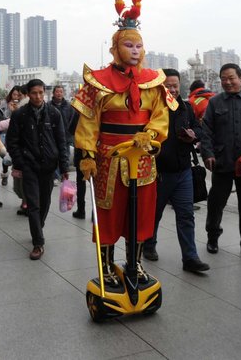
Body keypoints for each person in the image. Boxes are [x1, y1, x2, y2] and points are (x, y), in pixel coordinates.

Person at [73, 23, 174, 286]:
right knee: (107, 214)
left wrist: (150, 136)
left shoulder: (153, 82)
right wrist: (87, 154)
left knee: (140, 213)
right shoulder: (97, 82)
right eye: (129, 45)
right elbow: (89, 122)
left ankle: (135, 263)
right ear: (115, 49)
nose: (135, 51)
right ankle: (105, 266)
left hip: (141, 156)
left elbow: (160, 117)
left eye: (139, 46)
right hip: (109, 158)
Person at [143, 68, 209, 273]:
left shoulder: (186, 107)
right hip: (160, 172)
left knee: (186, 215)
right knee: (155, 214)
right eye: (168, 85)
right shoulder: (153, 108)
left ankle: (190, 258)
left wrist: (193, 135)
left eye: (175, 85)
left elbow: (199, 129)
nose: (172, 89)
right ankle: (149, 245)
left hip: (183, 171)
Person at [200, 63, 241, 260]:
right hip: (222, 161)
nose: (227, 82)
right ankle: (213, 237)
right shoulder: (215, 103)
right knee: (216, 203)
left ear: (240, 78)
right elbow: (206, 131)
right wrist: (208, 154)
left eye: (231, 78)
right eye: (223, 79)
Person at [6, 79, 69, 260]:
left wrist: (64, 165)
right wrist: (21, 161)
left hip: (49, 166)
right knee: (33, 204)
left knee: (45, 201)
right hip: (29, 166)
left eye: (41, 93)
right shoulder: (20, 115)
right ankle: (38, 243)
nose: (38, 96)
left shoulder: (54, 113)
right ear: (28, 94)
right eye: (34, 93)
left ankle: (38, 227)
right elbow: (12, 141)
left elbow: (61, 141)